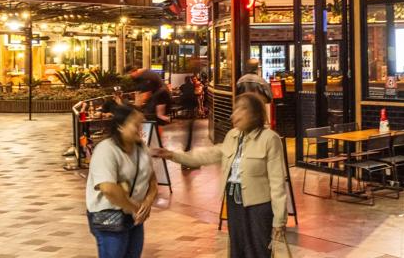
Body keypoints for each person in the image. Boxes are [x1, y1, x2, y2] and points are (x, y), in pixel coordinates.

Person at [154, 93, 287, 258]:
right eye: (235, 109)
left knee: (259, 250)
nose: (234, 115)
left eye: (240, 110)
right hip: (234, 202)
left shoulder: (269, 139)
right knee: (237, 249)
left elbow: (277, 181)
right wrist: (173, 155)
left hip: (258, 206)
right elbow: (207, 155)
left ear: (253, 113)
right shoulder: (232, 136)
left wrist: (279, 219)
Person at [86, 103, 157, 258]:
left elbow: (151, 179)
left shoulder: (141, 148)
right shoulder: (106, 150)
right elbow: (108, 188)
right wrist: (134, 207)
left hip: (135, 217)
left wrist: (148, 201)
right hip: (110, 218)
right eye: (136, 124)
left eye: (142, 124)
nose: (141, 128)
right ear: (120, 126)